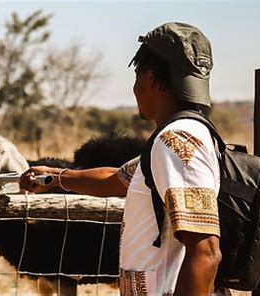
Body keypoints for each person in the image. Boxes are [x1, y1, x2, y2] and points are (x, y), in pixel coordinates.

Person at [20, 22, 222, 295]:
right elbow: (114, 179)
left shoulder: (176, 143)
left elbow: (206, 252)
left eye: (137, 74)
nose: (135, 86)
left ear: (150, 77)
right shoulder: (175, 140)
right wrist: (56, 177)